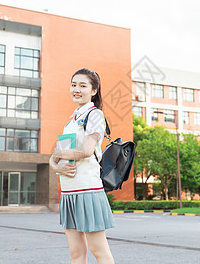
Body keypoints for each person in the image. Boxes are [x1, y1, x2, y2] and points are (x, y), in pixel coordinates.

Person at [49, 68, 115, 264]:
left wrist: (56, 156)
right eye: (73, 84)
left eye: (83, 85)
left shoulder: (94, 115)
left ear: (93, 90)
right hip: (69, 193)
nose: (76, 89)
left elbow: (86, 151)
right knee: (76, 253)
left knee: (99, 251)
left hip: (88, 191)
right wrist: (56, 166)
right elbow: (57, 157)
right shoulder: (72, 120)